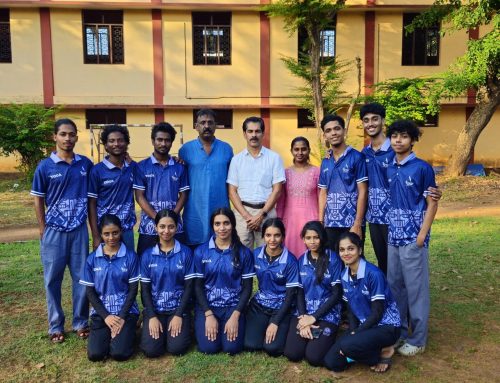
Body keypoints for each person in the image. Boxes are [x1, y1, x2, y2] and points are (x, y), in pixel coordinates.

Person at [31, 118, 93, 343]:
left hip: (78, 231)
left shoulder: (85, 164)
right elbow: (38, 199)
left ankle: (80, 322)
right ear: (55, 137)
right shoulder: (45, 167)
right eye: (63, 134)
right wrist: (42, 228)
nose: (68, 138)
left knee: (81, 279)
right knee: (52, 280)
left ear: (77, 137)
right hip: (54, 233)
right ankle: (55, 325)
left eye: (71, 134)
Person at [360, 103, 442, 275]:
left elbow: (415, 173)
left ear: (383, 121)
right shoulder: (364, 152)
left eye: (375, 119)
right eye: (366, 120)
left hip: (396, 217)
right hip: (373, 217)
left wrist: (434, 191)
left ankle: (404, 300)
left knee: (399, 267)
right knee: (383, 262)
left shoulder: (396, 148)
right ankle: (389, 300)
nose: (371, 124)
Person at [386, 120, 438, 356]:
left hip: (413, 238)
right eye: (395, 136)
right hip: (393, 236)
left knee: (416, 289)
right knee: (395, 287)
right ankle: (399, 333)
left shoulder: (422, 168)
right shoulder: (389, 165)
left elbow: (432, 203)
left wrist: (422, 235)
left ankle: (417, 339)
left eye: (404, 136)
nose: (398, 140)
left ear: (412, 139)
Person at [324, 232, 401, 373]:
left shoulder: (374, 274)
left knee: (347, 345)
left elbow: (377, 313)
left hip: (386, 327)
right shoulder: (344, 276)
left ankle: (385, 351)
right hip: (366, 326)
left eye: (351, 248)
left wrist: (357, 333)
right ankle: (365, 350)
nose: (346, 253)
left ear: (359, 250)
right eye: (342, 249)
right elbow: (351, 309)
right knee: (331, 362)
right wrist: (353, 330)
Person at [193, 207, 255, 355]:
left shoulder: (244, 252)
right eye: (217, 224)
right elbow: (197, 287)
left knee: (231, 348)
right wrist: (208, 314)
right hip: (208, 306)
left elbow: (247, 288)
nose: (222, 228)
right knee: (209, 348)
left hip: (233, 307)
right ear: (212, 226)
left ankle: (234, 321)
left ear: (233, 225)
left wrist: (235, 315)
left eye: (226, 223)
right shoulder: (201, 251)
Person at [79, 214, 140, 362]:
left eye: (115, 233)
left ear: (121, 232)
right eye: (106, 234)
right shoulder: (92, 259)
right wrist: (106, 317)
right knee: (96, 355)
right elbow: (90, 293)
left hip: (125, 312)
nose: (111, 237)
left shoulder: (131, 257)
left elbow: (133, 291)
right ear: (100, 234)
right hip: (102, 313)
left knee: (120, 353)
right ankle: (109, 332)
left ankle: (128, 331)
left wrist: (120, 318)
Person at [283, 221, 343, 366]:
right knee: (293, 353)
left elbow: (337, 294)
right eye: (308, 238)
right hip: (305, 311)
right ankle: (312, 335)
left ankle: (324, 337)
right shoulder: (301, 260)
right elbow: (299, 292)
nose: (312, 242)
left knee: (314, 357)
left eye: (316, 237)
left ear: (322, 238)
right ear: (303, 239)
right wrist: (304, 319)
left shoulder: (333, 259)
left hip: (328, 313)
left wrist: (313, 318)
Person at [140, 209, 195, 357]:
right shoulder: (147, 255)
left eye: (171, 226)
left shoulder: (186, 253)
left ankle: (185, 322)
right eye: (162, 226)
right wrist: (151, 316)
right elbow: (144, 290)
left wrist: (179, 314)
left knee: (177, 349)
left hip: (177, 309)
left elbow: (189, 287)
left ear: (176, 228)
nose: (166, 231)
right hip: (156, 310)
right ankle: (145, 321)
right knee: (151, 351)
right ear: (155, 227)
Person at [244, 218, 300, 356]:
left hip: (282, 308)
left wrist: (275, 322)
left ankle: (278, 328)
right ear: (263, 236)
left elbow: (291, 294)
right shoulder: (255, 254)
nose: (272, 239)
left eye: (277, 235)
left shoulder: (291, 260)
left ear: (283, 237)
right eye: (268, 235)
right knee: (251, 345)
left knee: (272, 349)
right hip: (259, 305)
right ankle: (261, 326)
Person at [227, 117, 286, 249]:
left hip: (267, 211)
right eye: (250, 131)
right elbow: (232, 191)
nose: (254, 135)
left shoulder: (274, 158)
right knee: (241, 253)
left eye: (257, 131)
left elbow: (277, 190)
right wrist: (247, 216)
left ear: (263, 133)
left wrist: (261, 215)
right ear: (244, 134)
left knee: (268, 251)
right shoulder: (236, 160)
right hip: (242, 214)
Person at [179, 110, 233, 247]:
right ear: (196, 126)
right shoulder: (185, 150)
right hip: (194, 211)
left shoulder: (226, 149)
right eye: (202, 123)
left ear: (216, 126)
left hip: (220, 209)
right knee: (195, 252)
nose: (206, 126)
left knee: (221, 250)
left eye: (210, 123)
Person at [134, 122, 189, 255]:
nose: (163, 144)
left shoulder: (180, 167)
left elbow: (184, 195)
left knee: (177, 265)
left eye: (167, 140)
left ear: (171, 142)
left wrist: (172, 217)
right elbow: (139, 196)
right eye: (159, 139)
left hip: (175, 227)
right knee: (145, 267)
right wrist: (157, 218)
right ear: (153, 141)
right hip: (149, 227)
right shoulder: (141, 166)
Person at [318, 115, 368, 251]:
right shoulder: (325, 161)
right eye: (328, 130)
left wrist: (357, 223)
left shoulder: (357, 157)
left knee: (354, 261)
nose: (333, 133)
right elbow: (323, 192)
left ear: (344, 131)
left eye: (337, 129)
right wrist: (321, 221)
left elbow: (363, 191)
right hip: (330, 223)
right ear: (324, 135)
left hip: (351, 222)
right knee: (333, 262)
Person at [88, 124, 136, 251]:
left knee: (128, 266)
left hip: (126, 229)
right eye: (112, 141)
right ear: (105, 145)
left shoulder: (133, 168)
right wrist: (96, 236)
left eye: (120, 140)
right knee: (105, 268)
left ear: (126, 143)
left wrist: (174, 158)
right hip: (106, 232)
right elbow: (91, 204)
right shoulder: (96, 171)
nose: (116, 144)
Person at [276, 137, 320, 257]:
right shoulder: (285, 173)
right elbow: (281, 199)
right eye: (296, 149)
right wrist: (279, 219)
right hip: (290, 220)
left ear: (308, 150)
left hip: (311, 218)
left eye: (303, 149)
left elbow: (321, 197)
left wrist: (321, 219)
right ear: (291, 151)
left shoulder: (317, 172)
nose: (300, 153)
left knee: (311, 251)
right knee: (290, 252)